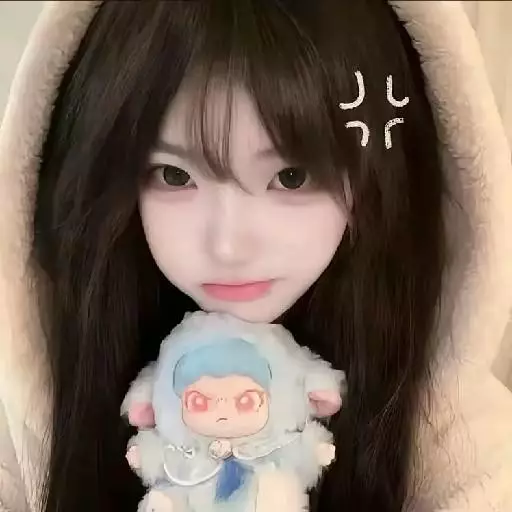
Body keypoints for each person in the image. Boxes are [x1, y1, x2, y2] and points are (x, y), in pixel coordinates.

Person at [0, 1, 511, 511]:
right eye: (175, 175)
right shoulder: (30, 410)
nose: (228, 246)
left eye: (292, 176)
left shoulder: (465, 441)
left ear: (375, 181)